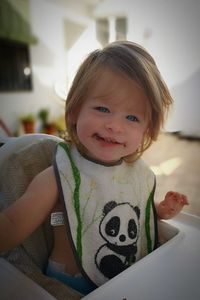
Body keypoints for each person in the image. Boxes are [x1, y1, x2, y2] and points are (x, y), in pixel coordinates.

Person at [0, 41, 188, 296]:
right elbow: (12, 223)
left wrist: (158, 210)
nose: (115, 125)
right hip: (71, 284)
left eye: (132, 117)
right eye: (102, 108)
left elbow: (133, 214)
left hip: (131, 277)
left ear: (147, 128)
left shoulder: (135, 174)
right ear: (76, 110)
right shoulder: (61, 175)